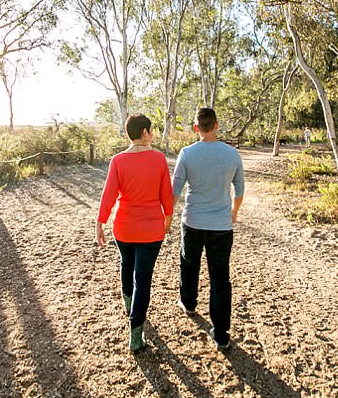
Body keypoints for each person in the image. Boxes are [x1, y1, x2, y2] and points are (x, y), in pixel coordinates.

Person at [96, 114, 173, 352]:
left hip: (123, 227)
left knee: (126, 264)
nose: (152, 134)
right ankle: (136, 335)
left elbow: (109, 195)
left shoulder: (118, 161)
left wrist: (100, 223)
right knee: (143, 279)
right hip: (151, 229)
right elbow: (166, 196)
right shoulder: (159, 159)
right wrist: (167, 220)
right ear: (145, 132)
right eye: (152, 130)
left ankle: (128, 306)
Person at [172, 107, 244, 351]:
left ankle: (189, 303)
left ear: (196, 127)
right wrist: (233, 213)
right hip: (221, 226)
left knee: (189, 263)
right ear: (216, 125)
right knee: (220, 277)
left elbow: (175, 189)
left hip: (192, 221)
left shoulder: (187, 153)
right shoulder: (232, 154)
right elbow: (240, 190)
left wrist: (167, 215)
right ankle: (221, 334)